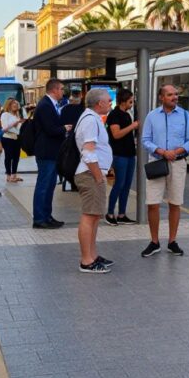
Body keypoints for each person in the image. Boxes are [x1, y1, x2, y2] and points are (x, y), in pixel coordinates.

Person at [140, 84, 189, 257]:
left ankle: (172, 241)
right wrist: (161, 151)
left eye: (176, 94)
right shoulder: (151, 116)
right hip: (157, 162)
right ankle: (154, 241)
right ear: (161, 97)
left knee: (175, 202)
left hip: (178, 163)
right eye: (170, 94)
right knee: (153, 203)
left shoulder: (185, 116)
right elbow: (145, 139)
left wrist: (176, 152)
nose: (175, 97)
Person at [74, 88, 115, 273]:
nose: (110, 103)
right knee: (90, 216)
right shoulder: (91, 120)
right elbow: (88, 151)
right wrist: (99, 176)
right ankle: (86, 261)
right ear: (99, 103)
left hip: (93, 174)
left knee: (94, 216)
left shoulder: (91, 118)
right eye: (108, 100)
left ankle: (93, 255)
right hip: (90, 175)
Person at [33, 79, 71, 229]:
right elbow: (50, 129)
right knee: (44, 185)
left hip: (52, 152)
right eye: (62, 89)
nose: (63, 92)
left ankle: (47, 216)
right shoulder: (45, 106)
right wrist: (65, 128)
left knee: (49, 186)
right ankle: (40, 218)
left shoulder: (51, 105)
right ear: (54, 90)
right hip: (46, 152)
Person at [105, 88, 139, 226]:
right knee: (118, 184)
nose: (132, 103)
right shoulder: (114, 115)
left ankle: (122, 214)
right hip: (119, 155)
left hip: (130, 154)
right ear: (124, 101)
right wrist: (133, 126)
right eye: (131, 101)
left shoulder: (126, 114)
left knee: (126, 185)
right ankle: (110, 213)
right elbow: (116, 134)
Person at [0, 98, 25, 183]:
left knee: (16, 157)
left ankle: (14, 175)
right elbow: (5, 128)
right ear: (9, 105)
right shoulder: (5, 115)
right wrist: (15, 124)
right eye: (13, 104)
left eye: (16, 104)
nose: (15, 105)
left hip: (17, 138)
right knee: (8, 157)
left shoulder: (17, 115)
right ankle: (8, 176)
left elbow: (19, 128)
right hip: (8, 138)